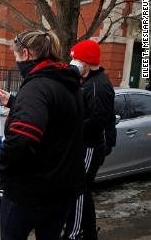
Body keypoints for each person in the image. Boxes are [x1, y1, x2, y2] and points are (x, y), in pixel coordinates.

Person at [0, 29, 85, 240]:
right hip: (62, 190)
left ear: (26, 53)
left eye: (15, 56)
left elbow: (22, 139)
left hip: (30, 192)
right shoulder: (68, 83)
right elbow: (56, 121)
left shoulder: (36, 87)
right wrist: (15, 102)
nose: (16, 61)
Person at [63, 39, 116, 240]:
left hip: (89, 147)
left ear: (87, 61)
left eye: (77, 58)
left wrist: (69, 129)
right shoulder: (87, 81)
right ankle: (89, 232)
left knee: (77, 190)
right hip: (84, 146)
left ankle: (74, 234)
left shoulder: (98, 86)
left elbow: (97, 120)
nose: (74, 61)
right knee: (83, 191)